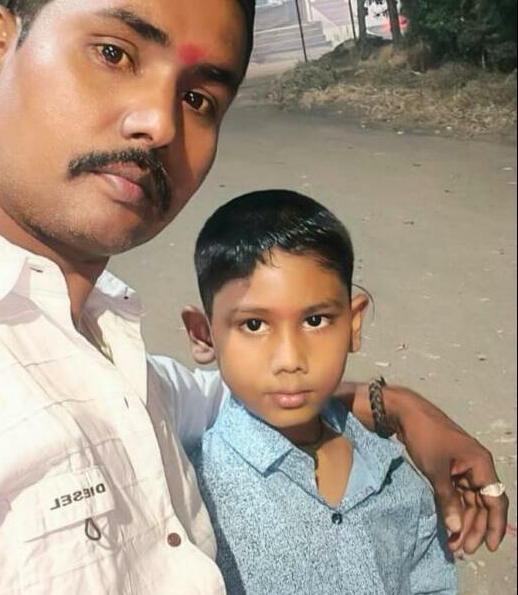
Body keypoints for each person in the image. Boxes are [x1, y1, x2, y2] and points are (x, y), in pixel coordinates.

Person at [0, 0, 507, 595]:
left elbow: (251, 391)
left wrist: (403, 409)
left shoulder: (113, 356)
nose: (160, 124)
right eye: (114, 53)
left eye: (199, 99)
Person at [184, 190, 458, 594]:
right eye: (254, 325)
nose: (290, 359)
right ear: (204, 335)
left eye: (315, 320)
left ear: (353, 324)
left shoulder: (398, 479)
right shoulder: (193, 498)